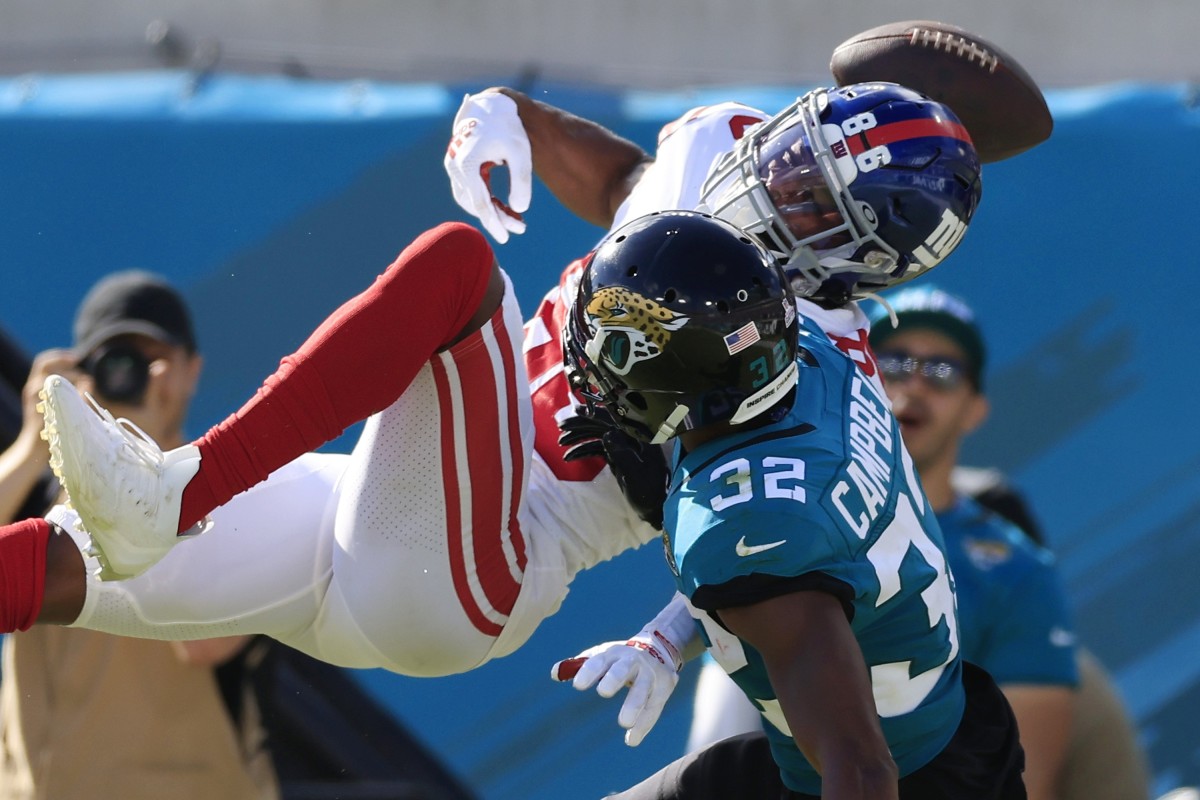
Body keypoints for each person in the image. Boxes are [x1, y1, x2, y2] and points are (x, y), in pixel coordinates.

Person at [3, 83, 979, 719]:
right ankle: (166, 503)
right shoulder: (726, 147)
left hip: (489, 562)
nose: (775, 178)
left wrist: (670, 636)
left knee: (465, 275)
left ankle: (178, 490)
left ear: (861, 257)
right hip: (384, 503)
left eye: (811, 194)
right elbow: (626, 181)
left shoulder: (818, 366)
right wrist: (512, 114)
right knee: (54, 561)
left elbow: (775, 534)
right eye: (792, 149)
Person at [563, 210, 1021, 799]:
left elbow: (861, 770)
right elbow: (790, 567)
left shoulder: (747, 530)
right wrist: (668, 636)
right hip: (936, 726)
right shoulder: (817, 358)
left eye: (624, 348)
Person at [684, 284, 1079, 798]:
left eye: (942, 372)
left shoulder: (1018, 572)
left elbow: (1026, 779)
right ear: (862, 374)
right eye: (893, 362)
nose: (914, 385)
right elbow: (734, 702)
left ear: (975, 408)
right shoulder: (786, 508)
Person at [0, 271, 277, 800]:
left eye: (153, 361)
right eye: (115, 360)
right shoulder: (41, 499)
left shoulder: (235, 501)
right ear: (83, 372)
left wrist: (142, 467)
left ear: (192, 372)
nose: (133, 379)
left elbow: (208, 645)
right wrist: (32, 447)